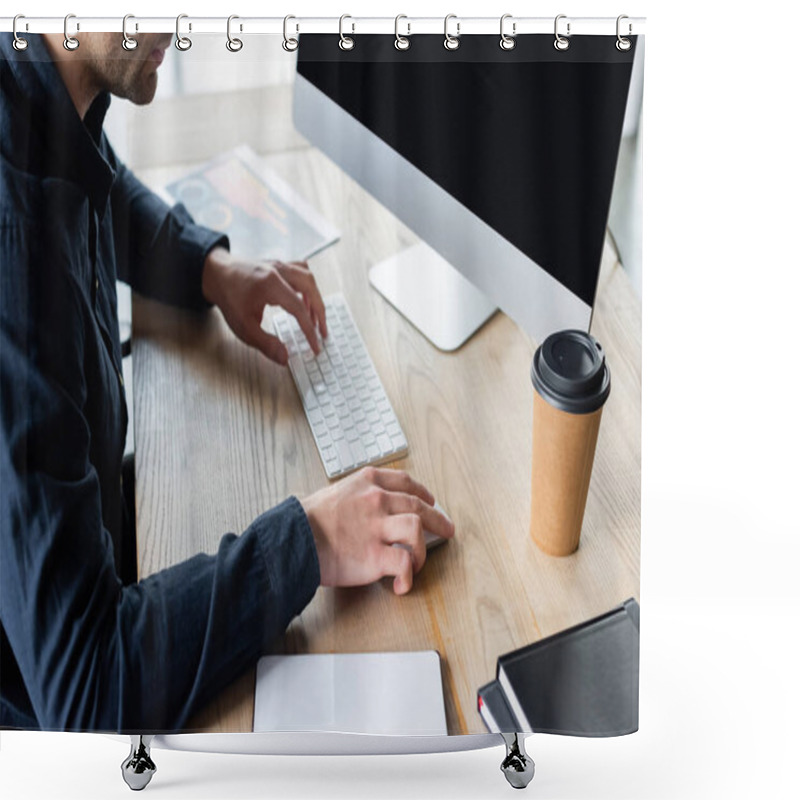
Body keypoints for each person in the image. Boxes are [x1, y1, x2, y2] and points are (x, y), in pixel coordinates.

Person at [0, 31, 454, 732]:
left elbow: (89, 173)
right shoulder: (13, 265)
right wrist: (310, 542)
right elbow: (86, 694)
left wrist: (207, 269)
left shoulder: (36, 77)